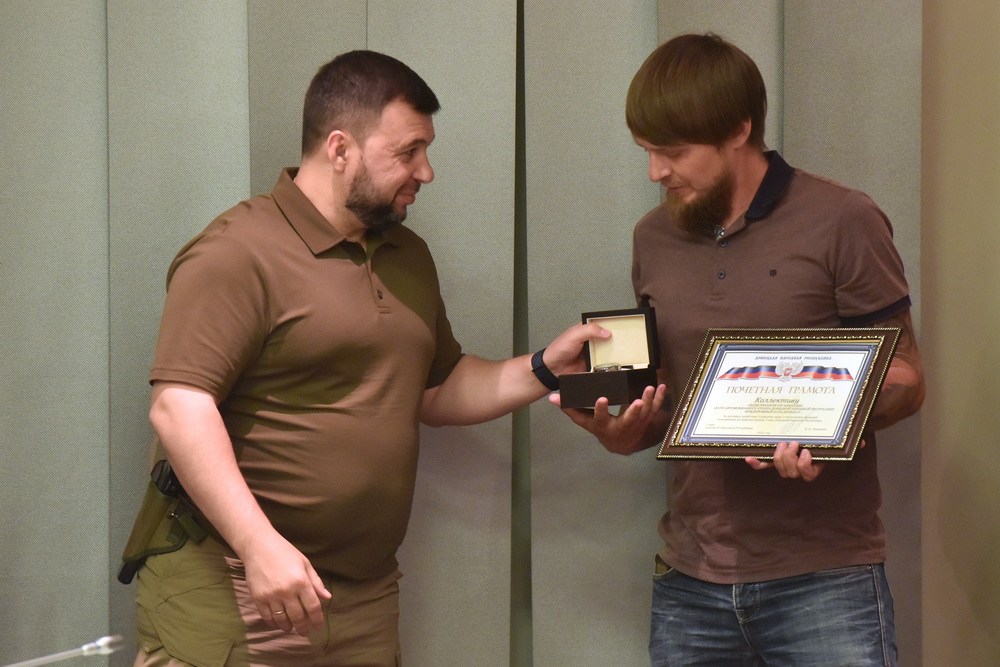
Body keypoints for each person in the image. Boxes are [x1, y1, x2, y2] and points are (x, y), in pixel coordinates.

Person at [133, 50, 606, 666]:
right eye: (409, 152)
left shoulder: (408, 255)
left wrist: (544, 367)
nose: (426, 171)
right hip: (235, 587)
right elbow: (179, 407)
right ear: (340, 149)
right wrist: (259, 546)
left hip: (364, 597)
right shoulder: (237, 252)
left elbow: (435, 390)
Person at [552, 33, 925, 666]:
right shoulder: (652, 236)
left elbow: (909, 377)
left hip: (826, 580)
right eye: (646, 151)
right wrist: (623, 431)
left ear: (738, 130)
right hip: (689, 580)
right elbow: (674, 398)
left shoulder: (844, 219)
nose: (655, 173)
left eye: (673, 152)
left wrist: (824, 434)